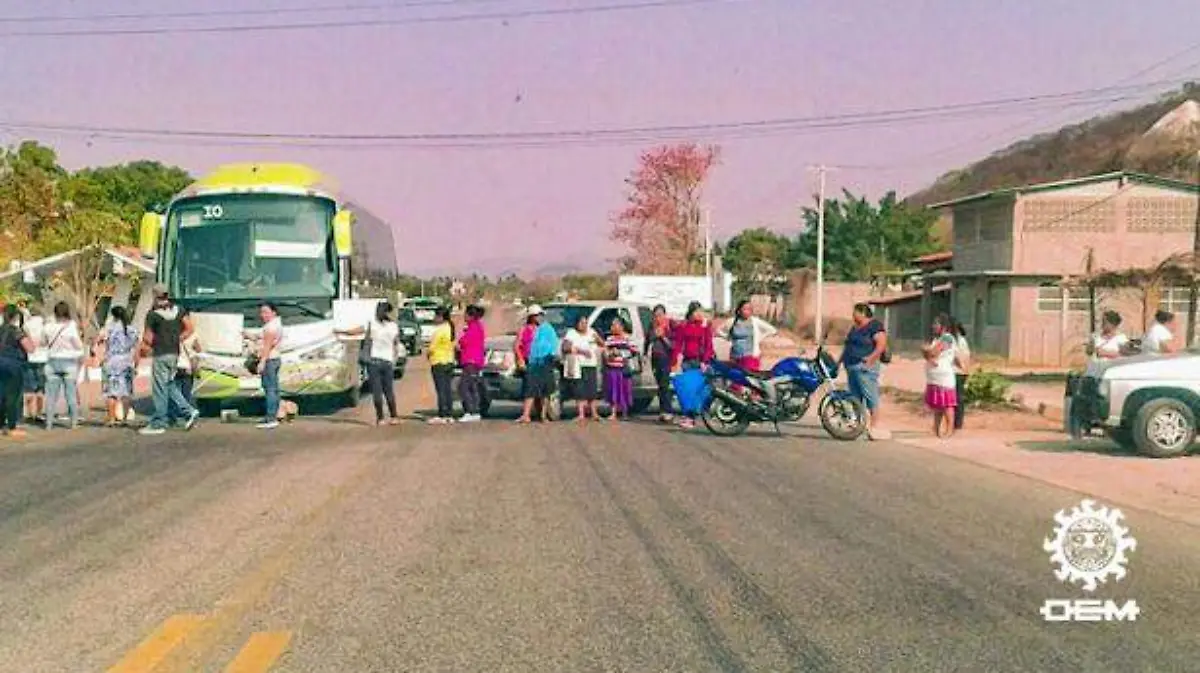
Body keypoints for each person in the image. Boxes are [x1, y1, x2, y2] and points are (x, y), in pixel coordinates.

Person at [139, 284, 199, 435]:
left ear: (154, 295)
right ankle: (188, 410)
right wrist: (177, 338)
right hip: (174, 353)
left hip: (160, 353)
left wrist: (145, 347)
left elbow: (148, 337)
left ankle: (159, 421)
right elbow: (190, 328)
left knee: (160, 388)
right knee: (170, 385)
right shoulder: (178, 310)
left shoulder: (153, 314)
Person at [339, 302, 403, 426]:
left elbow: (358, 332)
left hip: (373, 361)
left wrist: (341, 332)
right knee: (389, 390)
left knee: (377, 391)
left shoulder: (372, 324)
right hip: (387, 361)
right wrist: (394, 359)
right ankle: (394, 416)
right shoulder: (394, 326)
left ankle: (380, 418)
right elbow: (396, 344)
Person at [841, 302, 888, 440]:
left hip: (865, 367)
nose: (853, 315)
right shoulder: (854, 328)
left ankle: (874, 426)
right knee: (855, 397)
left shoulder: (874, 326)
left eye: (855, 312)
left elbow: (881, 344)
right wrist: (839, 362)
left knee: (870, 396)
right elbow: (847, 346)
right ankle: (858, 425)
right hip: (851, 366)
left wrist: (871, 358)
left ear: (862, 313)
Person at [671, 301, 715, 429]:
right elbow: (679, 346)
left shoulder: (705, 327)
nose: (699, 314)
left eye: (700, 312)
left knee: (699, 389)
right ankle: (688, 417)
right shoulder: (684, 327)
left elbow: (708, 345)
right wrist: (675, 363)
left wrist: (705, 361)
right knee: (686, 389)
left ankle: (695, 414)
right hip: (687, 362)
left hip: (699, 361)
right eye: (696, 312)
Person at [42, 301, 85, 430]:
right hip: (69, 362)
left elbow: (43, 342)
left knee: (51, 396)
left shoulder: (48, 327)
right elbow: (78, 345)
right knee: (70, 394)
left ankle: (49, 424)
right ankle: (73, 423)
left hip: (52, 362)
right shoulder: (71, 327)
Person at [96, 306, 139, 427]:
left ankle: (111, 418)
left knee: (111, 392)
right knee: (126, 392)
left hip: (111, 361)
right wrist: (136, 364)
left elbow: (98, 342)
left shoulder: (108, 329)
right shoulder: (131, 330)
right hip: (127, 361)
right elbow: (137, 348)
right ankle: (124, 419)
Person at [516, 305, 559, 424]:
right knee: (530, 389)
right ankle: (526, 415)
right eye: (536, 315)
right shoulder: (524, 329)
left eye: (540, 315)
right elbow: (517, 346)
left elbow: (553, 343)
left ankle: (543, 415)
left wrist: (553, 355)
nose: (539, 318)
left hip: (546, 361)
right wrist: (520, 359)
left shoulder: (547, 328)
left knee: (545, 391)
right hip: (531, 361)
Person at [0, 304, 36, 438]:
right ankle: (11, 426)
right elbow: (30, 348)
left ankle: (1, 424)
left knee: (1, 395)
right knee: (13, 397)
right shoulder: (17, 331)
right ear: (16, 316)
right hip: (14, 365)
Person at [562, 314, 603, 424]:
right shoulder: (571, 333)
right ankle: (581, 414)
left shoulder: (591, 332)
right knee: (579, 390)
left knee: (592, 390)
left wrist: (597, 339)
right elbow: (565, 347)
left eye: (585, 323)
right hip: (577, 365)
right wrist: (581, 351)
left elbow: (602, 343)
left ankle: (594, 413)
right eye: (581, 323)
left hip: (591, 364)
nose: (584, 325)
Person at [923, 314, 959, 438]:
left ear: (943, 326)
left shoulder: (947, 338)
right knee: (938, 405)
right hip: (934, 377)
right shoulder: (937, 339)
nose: (933, 326)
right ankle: (936, 429)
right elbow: (928, 353)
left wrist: (926, 351)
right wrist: (926, 352)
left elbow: (933, 352)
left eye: (936, 324)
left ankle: (949, 429)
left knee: (947, 405)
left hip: (944, 377)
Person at [720, 299, 778, 372]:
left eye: (749, 309)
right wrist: (727, 337)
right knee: (736, 380)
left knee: (749, 379)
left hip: (750, 357)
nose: (747, 311)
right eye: (745, 309)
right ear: (739, 310)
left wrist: (760, 337)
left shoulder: (755, 321)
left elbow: (772, 330)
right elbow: (718, 330)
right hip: (735, 356)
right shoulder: (732, 321)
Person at [602, 317, 639, 421]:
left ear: (622, 326)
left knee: (624, 391)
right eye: (612, 325)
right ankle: (613, 413)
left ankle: (625, 413)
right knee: (613, 391)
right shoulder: (609, 339)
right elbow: (605, 351)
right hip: (611, 368)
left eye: (615, 325)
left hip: (623, 369)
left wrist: (621, 353)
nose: (613, 327)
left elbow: (635, 351)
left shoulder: (627, 338)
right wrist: (608, 354)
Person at [256, 302, 284, 430]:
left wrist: (262, 362)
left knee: (270, 389)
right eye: (262, 312)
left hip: (269, 360)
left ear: (274, 312)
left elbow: (267, 346)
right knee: (274, 388)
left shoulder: (270, 328)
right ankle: (273, 415)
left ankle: (271, 417)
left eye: (266, 312)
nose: (263, 315)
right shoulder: (277, 325)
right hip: (276, 358)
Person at [645, 304, 675, 423]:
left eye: (660, 315)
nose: (657, 318)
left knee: (664, 384)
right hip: (655, 357)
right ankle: (662, 411)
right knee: (659, 385)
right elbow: (648, 340)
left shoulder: (669, 326)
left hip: (665, 358)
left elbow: (672, 346)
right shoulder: (652, 326)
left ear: (664, 315)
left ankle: (668, 411)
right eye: (655, 315)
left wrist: (662, 336)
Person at [457, 304, 487, 423]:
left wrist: (461, 341)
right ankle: (474, 411)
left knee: (463, 386)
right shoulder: (474, 326)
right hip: (473, 360)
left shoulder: (474, 327)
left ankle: (471, 411)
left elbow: (464, 341)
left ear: (471, 316)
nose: (464, 316)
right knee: (472, 386)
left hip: (471, 360)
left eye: (466, 314)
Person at [427, 306, 457, 424]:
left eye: (436, 316)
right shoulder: (450, 328)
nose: (434, 318)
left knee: (441, 390)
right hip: (449, 361)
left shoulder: (439, 330)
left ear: (440, 317)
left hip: (438, 362)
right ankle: (449, 413)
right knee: (447, 389)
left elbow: (431, 348)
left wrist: (428, 355)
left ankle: (442, 414)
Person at [169, 330, 203, 426]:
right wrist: (197, 369)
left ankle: (172, 418)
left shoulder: (173, 333)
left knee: (173, 393)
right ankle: (188, 417)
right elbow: (198, 351)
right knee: (186, 394)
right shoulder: (193, 335)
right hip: (187, 368)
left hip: (176, 366)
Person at [22, 304, 46, 424]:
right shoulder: (45, 325)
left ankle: (28, 413)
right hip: (43, 358)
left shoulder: (26, 325)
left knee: (28, 388)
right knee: (40, 388)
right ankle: (39, 413)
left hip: (30, 358)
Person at [949, 316, 972, 431]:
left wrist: (962, 368)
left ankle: (957, 423)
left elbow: (958, 356)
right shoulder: (960, 340)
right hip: (959, 372)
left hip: (957, 372)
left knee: (957, 398)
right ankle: (955, 422)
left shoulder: (957, 340)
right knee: (956, 398)